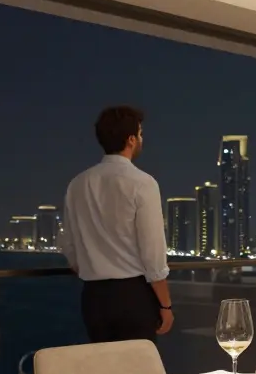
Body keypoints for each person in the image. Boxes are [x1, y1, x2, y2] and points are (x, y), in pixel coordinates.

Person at [60, 105, 174, 343]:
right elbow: (153, 255)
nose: (142, 139)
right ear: (131, 139)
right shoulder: (142, 183)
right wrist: (165, 305)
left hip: (93, 297)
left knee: (105, 373)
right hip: (133, 296)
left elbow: (69, 245)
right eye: (140, 134)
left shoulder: (78, 184)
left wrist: (93, 268)